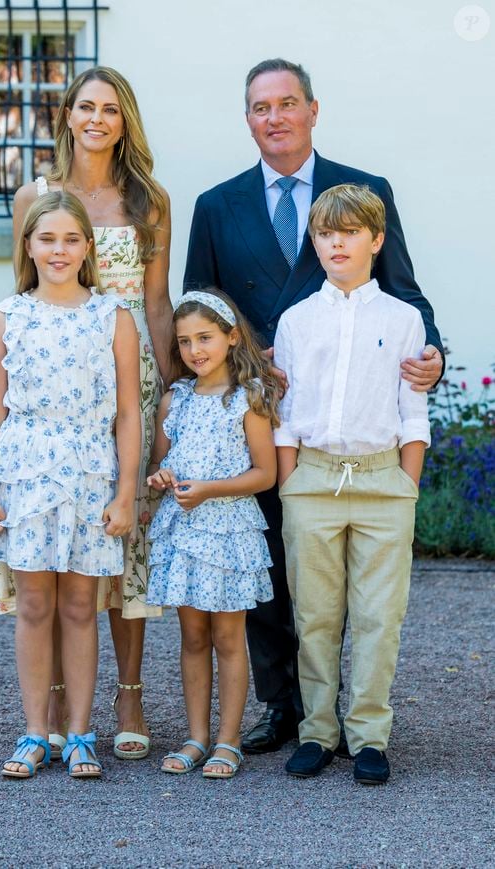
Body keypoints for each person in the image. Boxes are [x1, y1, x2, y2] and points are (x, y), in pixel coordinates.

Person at [184, 58, 443, 755]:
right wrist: (237, 367)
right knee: (266, 561)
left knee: (350, 593)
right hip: (254, 413)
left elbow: (405, 295)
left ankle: (353, 723)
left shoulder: (361, 195)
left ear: (312, 110)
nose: (275, 117)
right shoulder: (217, 203)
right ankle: (286, 706)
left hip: (345, 416)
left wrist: (434, 355)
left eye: (287, 103)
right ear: (248, 119)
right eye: (261, 107)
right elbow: (199, 306)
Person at [0, 66, 172, 760]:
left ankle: (126, 695)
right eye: (86, 106)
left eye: (112, 109)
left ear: (126, 121)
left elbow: (155, 304)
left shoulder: (147, 199)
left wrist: (166, 408)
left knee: (120, 552)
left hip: (128, 377)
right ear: (68, 114)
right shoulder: (36, 195)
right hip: (52, 382)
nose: (98, 118)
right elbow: (22, 283)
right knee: (52, 569)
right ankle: (52, 713)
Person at [0, 191, 141, 778]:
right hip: (25, 472)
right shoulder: (7, 317)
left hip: (92, 472)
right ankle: (35, 731)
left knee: (80, 606)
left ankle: (82, 734)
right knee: (34, 603)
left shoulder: (113, 317)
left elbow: (129, 415)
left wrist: (125, 494)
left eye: (71, 239)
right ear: (29, 246)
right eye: (48, 239)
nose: (59, 250)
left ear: (88, 248)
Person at [275, 183, 430, 784]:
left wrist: (406, 488)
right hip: (312, 480)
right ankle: (318, 728)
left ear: (376, 239)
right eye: (324, 233)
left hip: (382, 482)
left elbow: (413, 412)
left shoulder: (403, 318)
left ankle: (368, 734)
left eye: (349, 232)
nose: (336, 242)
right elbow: (283, 416)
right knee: (315, 614)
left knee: (378, 615)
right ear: (314, 242)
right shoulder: (296, 319)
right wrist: (291, 486)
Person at [145, 290, 279, 778]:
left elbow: (265, 473)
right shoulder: (174, 400)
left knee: (228, 637)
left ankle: (229, 739)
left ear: (231, 336)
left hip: (230, 532)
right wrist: (159, 476)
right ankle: (196, 736)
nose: (195, 350)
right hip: (183, 531)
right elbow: (161, 461)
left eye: (205, 337)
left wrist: (212, 490)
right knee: (193, 636)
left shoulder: (249, 398)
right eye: (184, 342)